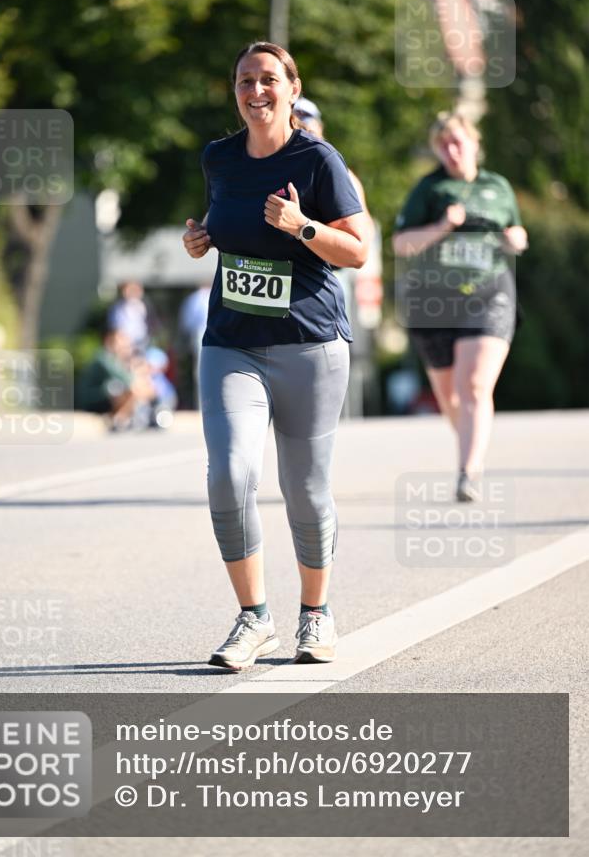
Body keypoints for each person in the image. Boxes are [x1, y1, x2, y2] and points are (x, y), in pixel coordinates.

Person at [183, 41, 371, 670]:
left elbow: (358, 250)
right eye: (244, 81)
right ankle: (253, 618)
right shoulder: (219, 158)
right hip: (232, 343)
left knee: (307, 491)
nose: (255, 91)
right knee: (229, 475)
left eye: (267, 80)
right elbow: (221, 225)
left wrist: (302, 226)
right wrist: (199, 238)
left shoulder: (319, 160)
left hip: (310, 345)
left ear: (292, 88)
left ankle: (315, 616)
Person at [392, 111, 528, 501]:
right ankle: (471, 440)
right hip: (434, 301)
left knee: (474, 385)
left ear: (473, 143)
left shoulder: (497, 187)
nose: (452, 150)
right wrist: (442, 226)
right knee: (450, 396)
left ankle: (468, 472)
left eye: (458, 142)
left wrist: (516, 238)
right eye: (443, 145)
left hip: (489, 292)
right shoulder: (429, 190)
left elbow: (515, 231)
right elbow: (401, 244)